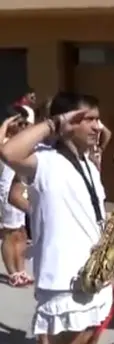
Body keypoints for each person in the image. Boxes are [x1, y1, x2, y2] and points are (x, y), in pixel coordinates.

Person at [0, 91, 114, 344]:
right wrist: (53, 124)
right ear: (68, 122)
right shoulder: (43, 160)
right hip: (64, 285)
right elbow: (8, 151)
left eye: (98, 119)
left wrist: (110, 274)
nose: (98, 126)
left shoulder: (88, 163)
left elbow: (95, 223)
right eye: (89, 119)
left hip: (92, 279)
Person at [0, 106, 33, 286]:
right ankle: (12, 272)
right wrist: (6, 124)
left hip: (21, 190)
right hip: (5, 193)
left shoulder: (20, 140)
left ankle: (21, 270)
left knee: (21, 233)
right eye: (18, 122)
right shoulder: (5, 140)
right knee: (9, 233)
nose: (22, 125)